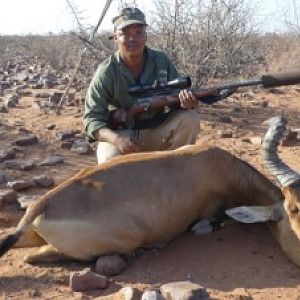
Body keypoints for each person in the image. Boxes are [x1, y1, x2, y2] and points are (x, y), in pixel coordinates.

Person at [84, 7, 200, 164]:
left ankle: (173, 171)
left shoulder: (161, 61)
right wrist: (117, 140)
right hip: (121, 134)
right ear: (115, 38)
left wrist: (187, 103)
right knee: (109, 163)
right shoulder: (106, 71)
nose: (133, 39)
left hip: (156, 129)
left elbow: (177, 97)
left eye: (138, 32)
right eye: (125, 33)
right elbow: (92, 120)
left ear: (145, 36)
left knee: (190, 118)